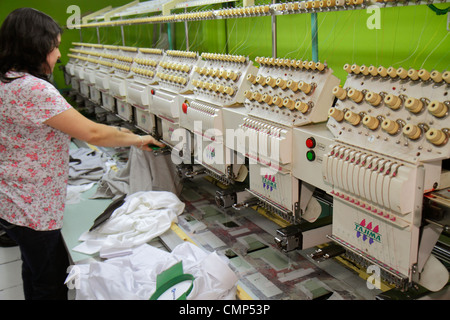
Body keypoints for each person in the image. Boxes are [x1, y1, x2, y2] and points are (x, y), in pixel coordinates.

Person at [0, 8, 165, 300]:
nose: (58, 55)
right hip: (33, 206)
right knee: (49, 279)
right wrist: (138, 139)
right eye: (55, 47)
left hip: (12, 198)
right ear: (36, 47)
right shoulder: (34, 89)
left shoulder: (8, 81)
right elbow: (93, 134)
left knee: (33, 266)